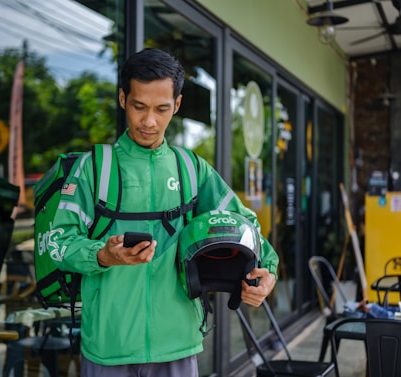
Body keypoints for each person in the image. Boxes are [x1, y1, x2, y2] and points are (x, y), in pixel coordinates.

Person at [50, 48, 279, 377]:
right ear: (122, 98)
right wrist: (101, 254)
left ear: (178, 105)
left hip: (178, 344)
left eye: (162, 109)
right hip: (108, 345)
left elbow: (246, 225)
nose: (149, 121)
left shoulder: (192, 170)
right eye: (138, 106)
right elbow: (59, 242)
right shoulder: (93, 169)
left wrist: (266, 270)